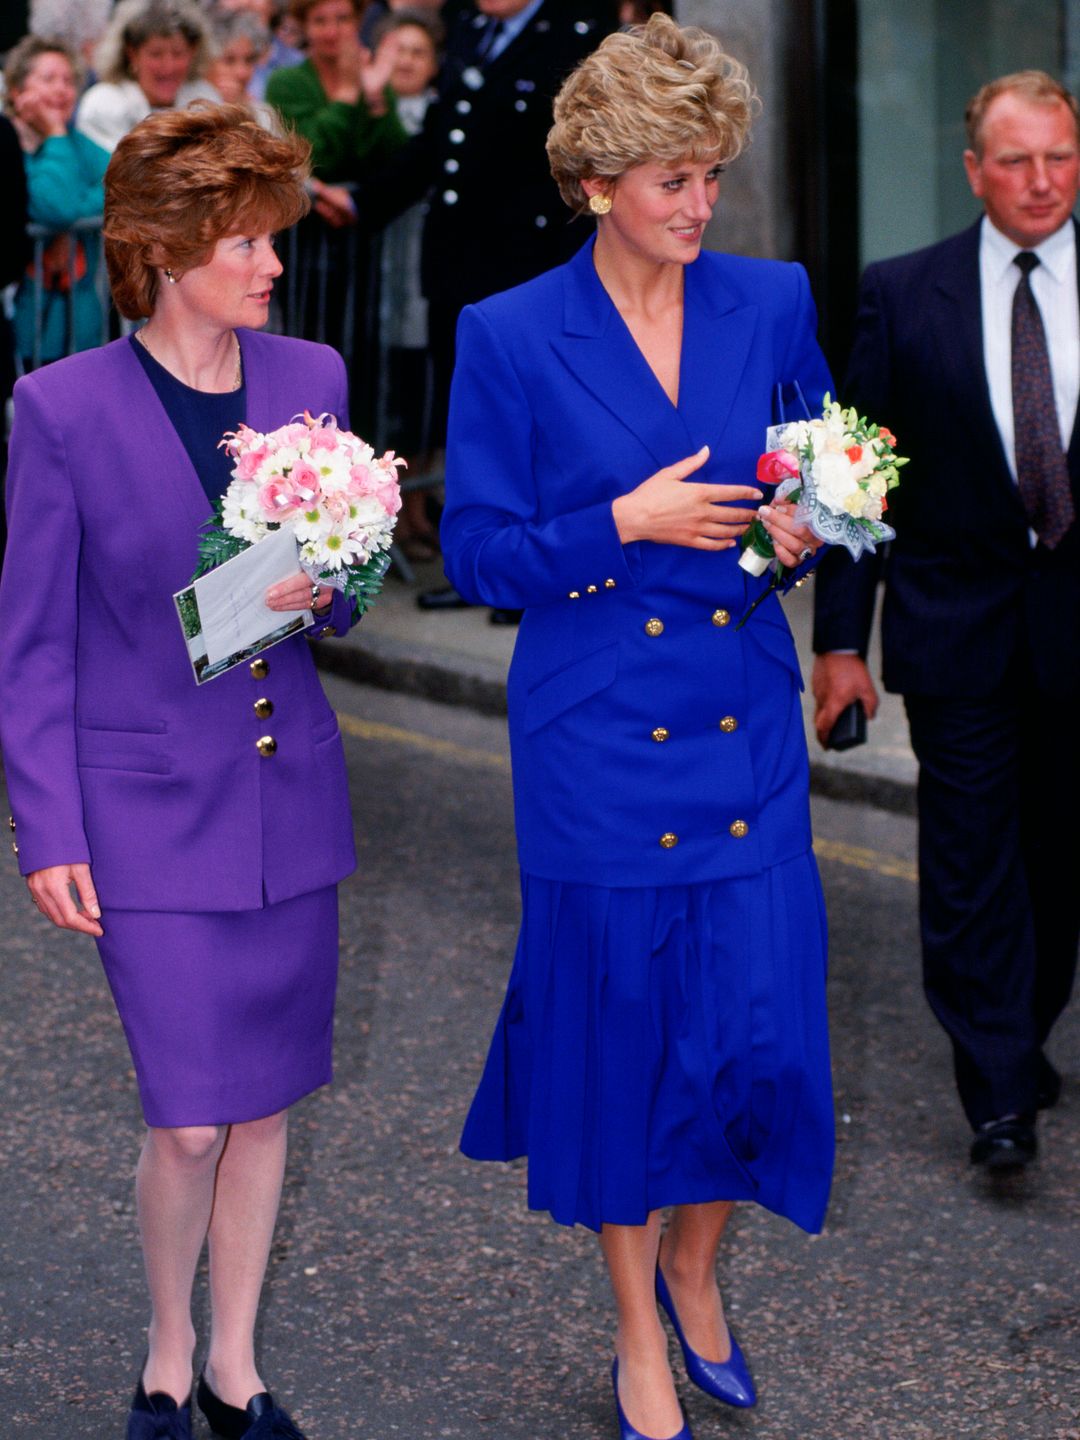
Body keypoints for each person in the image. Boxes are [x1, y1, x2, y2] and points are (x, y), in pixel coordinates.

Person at [443, 17, 834, 1440]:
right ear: (599, 181)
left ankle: (694, 1265)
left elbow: (821, 474)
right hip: (594, 740)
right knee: (621, 1051)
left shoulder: (770, 298)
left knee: (752, 1039)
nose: (701, 205)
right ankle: (634, 1337)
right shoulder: (509, 335)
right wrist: (621, 522)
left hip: (740, 726)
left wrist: (804, 529)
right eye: (675, 178)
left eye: (713, 175)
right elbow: (478, 552)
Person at [0, 103, 359, 1440]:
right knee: (192, 1122)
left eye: (274, 235)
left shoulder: (311, 375)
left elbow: (342, 604)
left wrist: (324, 584)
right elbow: (33, 643)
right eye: (248, 240)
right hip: (143, 818)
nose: (273, 264)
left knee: (263, 1108)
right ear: (165, 247)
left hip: (290, 805)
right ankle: (164, 1346)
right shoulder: (60, 409)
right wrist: (47, 829)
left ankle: (235, 1366)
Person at [812, 69, 1080, 1174]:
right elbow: (851, 481)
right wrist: (838, 643)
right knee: (969, 861)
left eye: (1060, 157)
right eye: (1015, 160)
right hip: (953, 627)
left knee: (1056, 863)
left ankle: (1024, 1025)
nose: (1041, 181)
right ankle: (998, 1087)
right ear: (974, 171)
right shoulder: (900, 290)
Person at [354, 0, 619, 618]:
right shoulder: (472, 29)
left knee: (541, 424)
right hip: (459, 267)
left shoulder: (576, 31)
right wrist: (364, 202)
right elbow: (440, 140)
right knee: (475, 422)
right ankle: (483, 569)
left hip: (531, 264)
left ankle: (538, 571)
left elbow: (585, 160)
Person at [372, 7, 443, 560]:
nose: (408, 62)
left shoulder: (445, 110)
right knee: (392, 395)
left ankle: (421, 504)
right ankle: (397, 511)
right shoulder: (379, 111)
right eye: (399, 50)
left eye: (420, 52)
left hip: (429, 275)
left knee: (426, 393)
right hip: (383, 278)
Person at [4, 35, 110, 366]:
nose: (62, 89)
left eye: (68, 81)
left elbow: (124, 186)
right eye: (48, 79)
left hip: (84, 325)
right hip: (29, 323)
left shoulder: (77, 143)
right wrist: (55, 134)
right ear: (17, 92)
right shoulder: (8, 147)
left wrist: (80, 203)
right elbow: (54, 207)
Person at [76, 0, 220, 153]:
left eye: (178, 53)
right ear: (131, 53)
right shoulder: (103, 103)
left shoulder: (205, 99)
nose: (168, 66)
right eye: (156, 54)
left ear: (193, 52)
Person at [206, 6, 279, 128]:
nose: (242, 72)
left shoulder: (263, 114)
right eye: (229, 60)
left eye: (249, 60)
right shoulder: (184, 105)